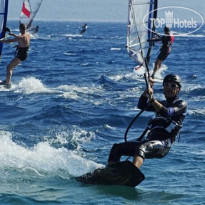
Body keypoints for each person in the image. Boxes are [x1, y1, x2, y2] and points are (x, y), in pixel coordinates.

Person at [108, 74, 187, 169]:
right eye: (166, 85)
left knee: (141, 148)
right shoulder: (161, 103)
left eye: (173, 85)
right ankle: (111, 172)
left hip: (163, 144)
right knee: (117, 148)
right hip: (149, 141)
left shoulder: (181, 104)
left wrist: (152, 99)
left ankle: (132, 173)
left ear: (179, 89)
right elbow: (141, 105)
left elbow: (168, 113)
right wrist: (146, 93)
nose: (169, 87)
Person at [0, 23, 30, 88]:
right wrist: (12, 34)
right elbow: (23, 42)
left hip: (21, 55)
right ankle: (7, 80)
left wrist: (1, 41)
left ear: (20, 29)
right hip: (24, 54)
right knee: (11, 67)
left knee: (9, 67)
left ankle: (7, 84)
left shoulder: (21, 37)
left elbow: (10, 41)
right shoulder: (27, 35)